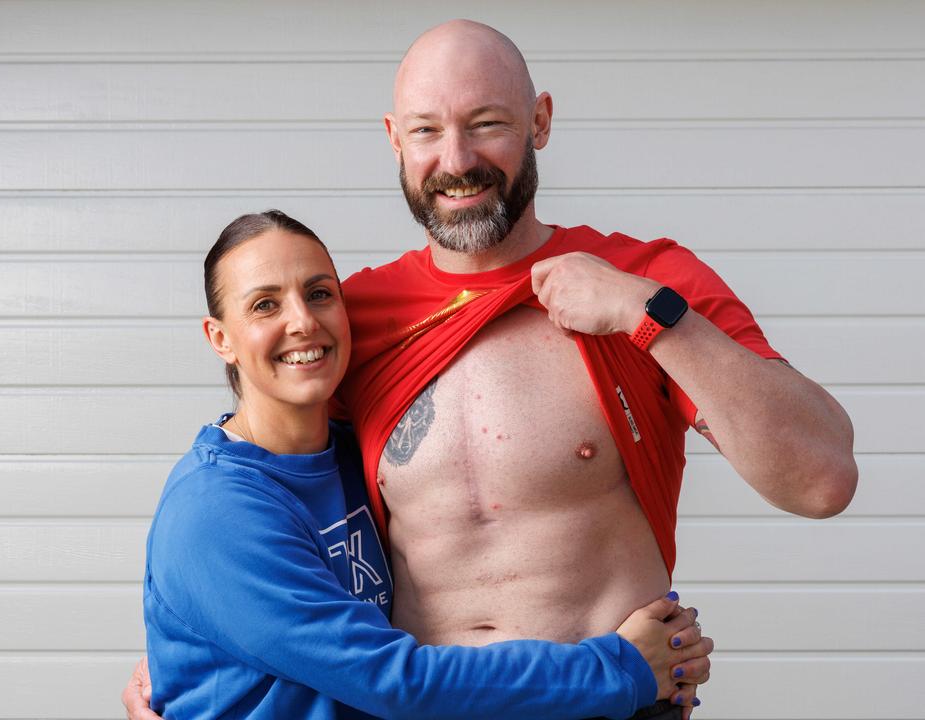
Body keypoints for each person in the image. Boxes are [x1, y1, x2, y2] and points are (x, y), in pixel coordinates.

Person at [128, 19, 858, 718]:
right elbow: (282, 491)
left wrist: (646, 312)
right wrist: (189, 668)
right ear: (394, 140)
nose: (456, 160)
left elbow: (821, 480)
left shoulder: (646, 282)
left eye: (485, 123)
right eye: (426, 131)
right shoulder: (353, 319)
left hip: (613, 703)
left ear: (539, 122)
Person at [141, 209, 711, 720]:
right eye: (265, 304)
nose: (302, 322)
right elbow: (391, 680)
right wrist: (623, 668)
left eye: (319, 294)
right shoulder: (215, 511)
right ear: (220, 338)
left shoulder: (351, 453)